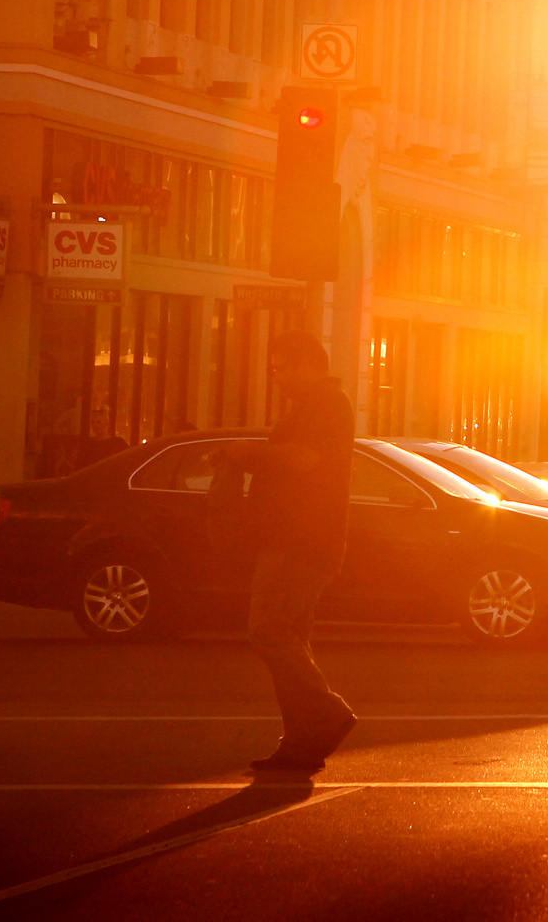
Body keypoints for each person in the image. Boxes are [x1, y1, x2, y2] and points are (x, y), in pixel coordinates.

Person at [235, 330, 358, 776]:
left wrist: (248, 455)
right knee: (291, 638)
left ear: (308, 364)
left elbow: (305, 460)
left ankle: (328, 714)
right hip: (301, 538)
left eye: (281, 367)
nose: (277, 377)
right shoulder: (317, 405)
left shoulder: (325, 404)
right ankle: (301, 743)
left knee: (268, 631)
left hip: (301, 540)